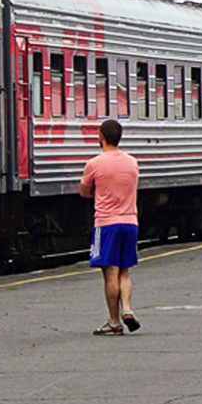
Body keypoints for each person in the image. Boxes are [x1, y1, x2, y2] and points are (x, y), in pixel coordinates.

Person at [79, 118, 140, 336]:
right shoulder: (132, 162)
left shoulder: (94, 164)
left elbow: (84, 192)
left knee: (110, 273)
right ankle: (127, 309)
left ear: (101, 137)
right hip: (130, 223)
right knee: (124, 272)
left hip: (107, 224)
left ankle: (114, 322)